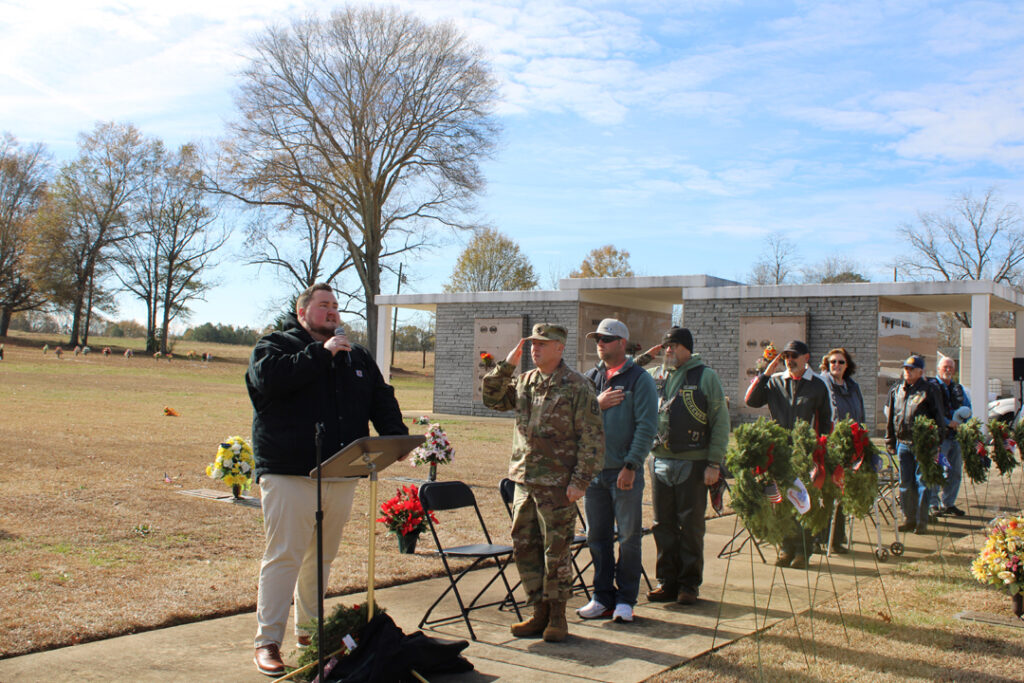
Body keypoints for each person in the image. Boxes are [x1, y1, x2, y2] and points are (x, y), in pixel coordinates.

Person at [246, 283, 408, 676]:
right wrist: (320, 353)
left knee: (322, 557)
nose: (333, 312)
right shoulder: (275, 346)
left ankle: (310, 633)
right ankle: (268, 641)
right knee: (284, 555)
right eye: (323, 306)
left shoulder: (357, 356)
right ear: (303, 313)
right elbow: (270, 380)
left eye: (336, 306)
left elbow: (379, 398)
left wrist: (396, 435)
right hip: (290, 472)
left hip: (342, 471)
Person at [482, 323, 603, 643]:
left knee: (557, 551)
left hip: (558, 484)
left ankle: (558, 616)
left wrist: (580, 480)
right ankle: (538, 611)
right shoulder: (524, 382)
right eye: (533, 344)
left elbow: (591, 437)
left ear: (560, 348)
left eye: (542, 344)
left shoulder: (578, 386)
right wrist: (506, 364)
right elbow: (491, 397)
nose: (535, 348)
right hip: (524, 481)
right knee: (525, 547)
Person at [576, 319, 658, 623]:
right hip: (594, 473)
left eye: (607, 339)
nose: (601, 343)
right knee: (596, 537)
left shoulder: (640, 379)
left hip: (624, 472)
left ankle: (625, 600)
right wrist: (597, 404)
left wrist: (631, 465)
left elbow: (647, 427)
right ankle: (601, 597)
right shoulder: (591, 377)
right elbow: (578, 419)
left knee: (628, 538)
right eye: (598, 338)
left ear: (623, 342)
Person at [645, 326, 730, 604]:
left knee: (691, 527)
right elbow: (626, 375)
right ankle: (666, 581)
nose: (668, 350)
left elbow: (720, 422)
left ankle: (689, 586)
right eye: (665, 345)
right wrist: (646, 357)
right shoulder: (655, 376)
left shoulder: (706, 377)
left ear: (687, 348)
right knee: (662, 525)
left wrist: (714, 463)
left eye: (674, 345)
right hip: (660, 461)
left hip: (694, 464)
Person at [745, 339, 832, 568]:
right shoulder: (775, 382)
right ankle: (785, 549)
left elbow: (825, 420)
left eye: (794, 356)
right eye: (786, 357)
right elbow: (751, 400)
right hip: (780, 451)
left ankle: (803, 550)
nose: (789, 361)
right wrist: (766, 373)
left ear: (806, 358)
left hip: (806, 452)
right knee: (782, 501)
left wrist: (820, 450)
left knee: (803, 500)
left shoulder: (818, 385)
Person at [884, 354, 945, 535]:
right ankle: (908, 518)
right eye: (906, 369)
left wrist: (937, 442)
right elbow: (891, 418)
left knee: (922, 483)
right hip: (903, 443)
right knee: (905, 482)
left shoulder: (929, 390)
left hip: (923, 445)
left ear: (921, 371)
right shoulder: (898, 391)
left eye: (911, 369)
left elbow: (939, 417)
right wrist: (890, 440)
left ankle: (921, 521)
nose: (907, 372)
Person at [818, 347, 866, 554]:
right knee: (827, 493)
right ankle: (823, 538)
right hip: (828, 446)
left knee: (841, 493)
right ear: (827, 364)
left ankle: (837, 538)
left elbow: (860, 414)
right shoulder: (822, 384)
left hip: (849, 446)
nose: (836, 365)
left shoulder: (853, 387)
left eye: (841, 362)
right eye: (833, 362)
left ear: (848, 365)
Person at [929, 356, 971, 517]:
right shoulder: (932, 387)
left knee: (955, 471)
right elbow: (932, 410)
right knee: (937, 470)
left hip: (956, 437)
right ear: (938, 369)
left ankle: (949, 503)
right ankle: (933, 503)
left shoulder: (958, 389)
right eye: (945, 367)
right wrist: (948, 422)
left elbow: (968, 407)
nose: (948, 370)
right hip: (940, 437)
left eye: (951, 367)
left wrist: (965, 421)